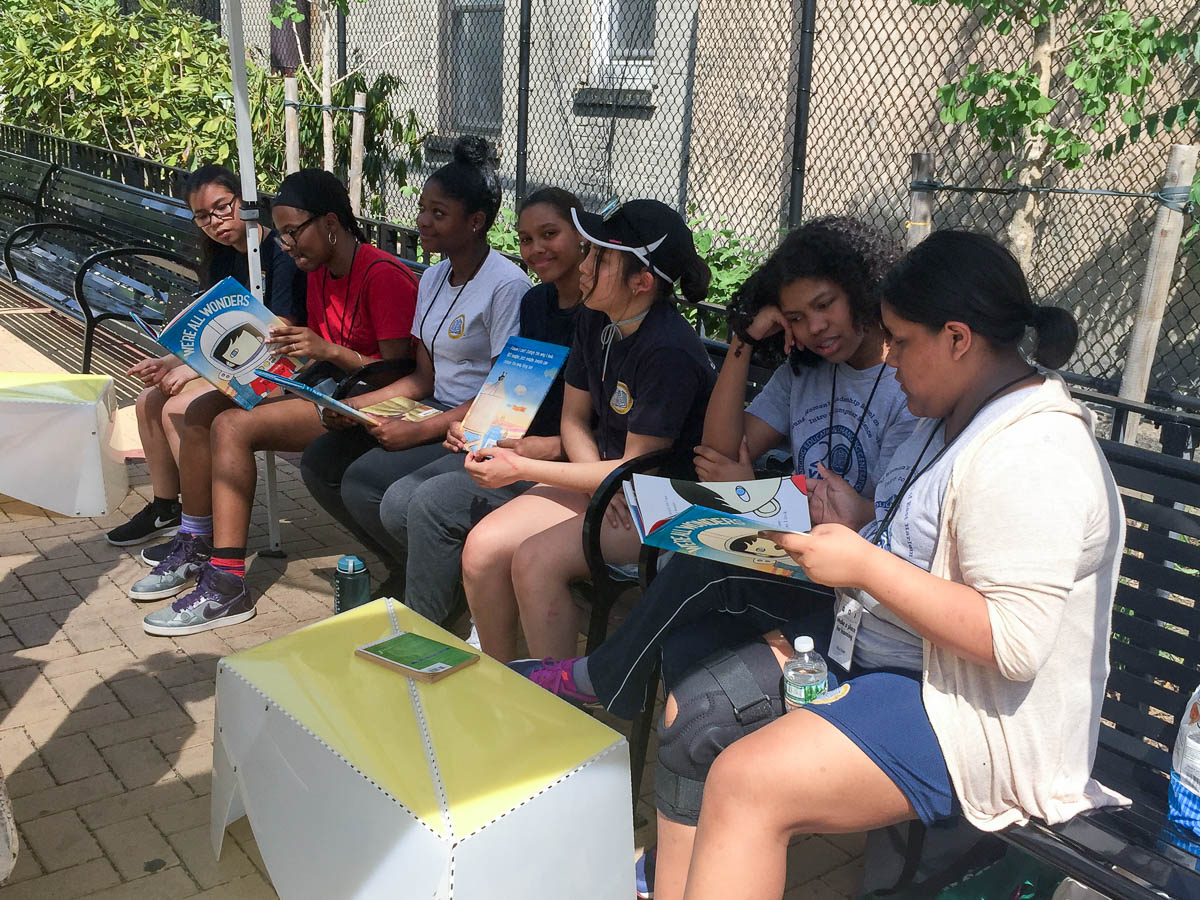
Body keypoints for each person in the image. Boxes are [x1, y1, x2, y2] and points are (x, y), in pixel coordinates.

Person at [658, 231, 1127, 900]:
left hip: (971, 712)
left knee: (747, 781)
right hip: (880, 657)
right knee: (695, 715)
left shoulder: (1034, 450)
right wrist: (858, 517)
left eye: (902, 342)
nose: (892, 360)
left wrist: (862, 565)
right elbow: (922, 529)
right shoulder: (937, 417)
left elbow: (1014, 644)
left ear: (958, 339)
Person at [514, 217, 914, 718]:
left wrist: (756, 492)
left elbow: (887, 522)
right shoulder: (804, 371)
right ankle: (617, 697)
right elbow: (718, 450)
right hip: (793, 550)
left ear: (860, 287)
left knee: (709, 547)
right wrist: (744, 342)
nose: (814, 328)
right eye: (795, 316)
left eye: (824, 304)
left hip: (846, 579)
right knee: (686, 627)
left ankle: (602, 677)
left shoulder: (907, 383)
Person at [134, 169, 418, 636]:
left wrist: (325, 352)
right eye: (282, 234)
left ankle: (227, 584)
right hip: (323, 387)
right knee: (202, 410)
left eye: (292, 232)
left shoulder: (382, 275)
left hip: (367, 400)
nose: (285, 245)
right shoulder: (323, 271)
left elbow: (399, 374)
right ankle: (196, 539)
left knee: (232, 427)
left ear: (330, 223)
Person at [460, 198, 718, 663]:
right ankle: (499, 684)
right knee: (481, 549)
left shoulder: (668, 351)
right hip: (612, 485)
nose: (585, 262)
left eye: (601, 257)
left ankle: (554, 710)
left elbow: (638, 468)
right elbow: (574, 420)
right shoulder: (594, 318)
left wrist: (522, 467)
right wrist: (603, 482)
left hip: (666, 503)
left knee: (536, 562)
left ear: (641, 282)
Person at [299, 135, 529, 593]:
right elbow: (423, 377)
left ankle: (436, 583)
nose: (422, 221)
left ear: (476, 222)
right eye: (422, 208)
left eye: (438, 213)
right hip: (434, 409)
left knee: (366, 484)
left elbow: (505, 399)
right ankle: (409, 567)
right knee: (320, 462)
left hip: (476, 425)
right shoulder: (434, 276)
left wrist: (418, 431)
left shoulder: (507, 287)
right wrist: (359, 406)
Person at [369, 187, 588, 627]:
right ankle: (467, 603)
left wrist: (544, 447)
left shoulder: (599, 312)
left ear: (582, 236)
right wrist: (478, 422)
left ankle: (421, 630)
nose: (536, 249)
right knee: (395, 505)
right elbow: (518, 382)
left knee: (431, 502)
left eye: (550, 233)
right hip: (513, 440)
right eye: (526, 239)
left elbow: (593, 424)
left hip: (560, 461)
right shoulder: (536, 302)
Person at [106, 165, 306, 547]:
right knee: (149, 399)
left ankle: (205, 521)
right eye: (202, 216)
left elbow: (277, 329)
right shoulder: (220, 258)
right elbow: (211, 328)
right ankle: (167, 505)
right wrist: (170, 362)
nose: (215, 222)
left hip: (273, 365)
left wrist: (188, 369)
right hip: (231, 362)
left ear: (244, 202)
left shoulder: (278, 254)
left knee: (177, 407)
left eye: (222, 208)